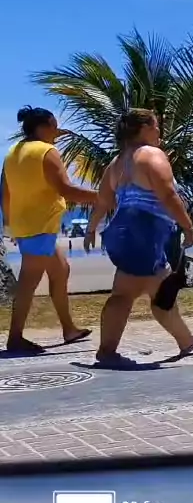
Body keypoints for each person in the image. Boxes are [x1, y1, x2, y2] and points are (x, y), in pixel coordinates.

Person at [83, 108, 193, 369]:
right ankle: (107, 351)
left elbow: (103, 201)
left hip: (123, 231)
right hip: (145, 232)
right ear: (143, 128)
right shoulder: (151, 155)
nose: (159, 132)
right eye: (155, 126)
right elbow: (168, 194)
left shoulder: (117, 163)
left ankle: (186, 340)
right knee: (133, 294)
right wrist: (187, 226)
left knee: (151, 290)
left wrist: (91, 229)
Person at [1, 106, 98, 354]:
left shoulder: (12, 153)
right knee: (28, 283)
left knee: (60, 270)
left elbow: (5, 193)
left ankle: (69, 329)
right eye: (54, 126)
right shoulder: (46, 151)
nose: (57, 131)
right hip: (40, 226)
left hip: (28, 225)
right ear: (42, 127)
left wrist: (11, 225)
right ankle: (15, 338)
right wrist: (105, 197)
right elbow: (67, 190)